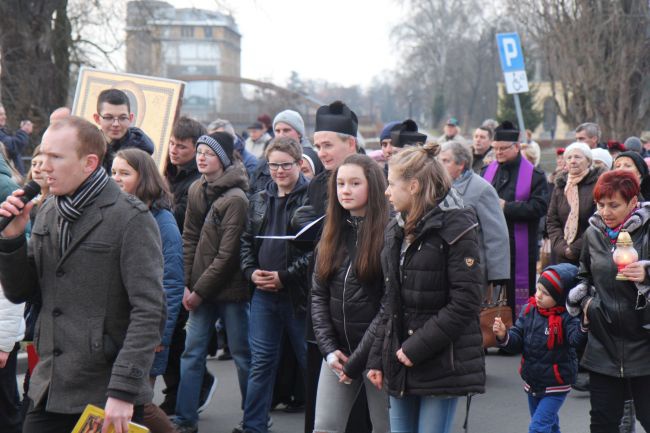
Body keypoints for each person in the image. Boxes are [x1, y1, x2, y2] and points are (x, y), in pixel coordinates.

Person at [0, 116, 165, 433]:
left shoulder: (129, 218)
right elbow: (25, 292)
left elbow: (150, 311)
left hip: (104, 392)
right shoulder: (48, 210)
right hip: (49, 387)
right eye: (42, 154)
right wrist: (12, 239)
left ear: (89, 163)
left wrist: (123, 391)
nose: (43, 166)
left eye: (56, 157)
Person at [367, 143, 485, 433]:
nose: (386, 192)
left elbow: (466, 302)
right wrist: (377, 358)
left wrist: (416, 347)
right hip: (401, 359)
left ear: (415, 186)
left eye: (392, 183)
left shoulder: (457, 226)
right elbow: (390, 301)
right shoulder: (396, 228)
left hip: (442, 361)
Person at [292, 101, 369, 433]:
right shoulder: (317, 183)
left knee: (363, 411)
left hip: (360, 310)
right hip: (322, 299)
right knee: (322, 405)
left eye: (327, 145)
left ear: (350, 144)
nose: (320, 152)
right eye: (317, 145)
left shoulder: (371, 180)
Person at [173, 132, 251, 433]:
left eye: (209, 152)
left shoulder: (237, 199)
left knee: (243, 356)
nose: (201, 157)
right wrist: (186, 284)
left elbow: (228, 255)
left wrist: (197, 291)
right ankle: (185, 418)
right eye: (200, 152)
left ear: (223, 158)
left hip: (230, 292)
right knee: (191, 353)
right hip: (199, 291)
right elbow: (188, 238)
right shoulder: (195, 189)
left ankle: (254, 419)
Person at [566, 170, 650, 432]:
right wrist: (588, 304)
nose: (606, 212)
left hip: (644, 342)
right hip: (604, 342)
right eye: (601, 204)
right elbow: (584, 275)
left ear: (633, 203)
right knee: (602, 423)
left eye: (614, 205)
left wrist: (647, 272)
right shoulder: (593, 235)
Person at [312, 154, 390, 433]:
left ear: (373, 186)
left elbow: (388, 305)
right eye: (341, 183)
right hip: (339, 351)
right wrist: (329, 349)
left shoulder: (390, 233)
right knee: (324, 427)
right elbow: (318, 294)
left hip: (378, 353)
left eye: (355, 183)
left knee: (385, 428)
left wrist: (356, 361)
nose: (345, 190)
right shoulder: (331, 230)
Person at [238, 137, 311, 433]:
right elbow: (245, 241)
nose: (279, 171)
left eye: (285, 165)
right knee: (261, 363)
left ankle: (322, 425)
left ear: (299, 163)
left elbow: (315, 251)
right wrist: (250, 271)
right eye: (273, 165)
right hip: (263, 296)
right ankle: (254, 426)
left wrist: (285, 276)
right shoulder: (258, 197)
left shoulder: (312, 198)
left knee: (310, 363)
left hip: (298, 296)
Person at [111, 149, 184, 433]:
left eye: (125, 173)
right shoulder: (118, 212)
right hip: (120, 329)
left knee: (140, 406)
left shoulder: (162, 222)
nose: (116, 179)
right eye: (114, 172)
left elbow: (172, 283)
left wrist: (159, 335)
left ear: (144, 179)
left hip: (146, 331)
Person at [493, 264, 588, 433]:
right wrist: (503, 335)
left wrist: (584, 324)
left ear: (560, 296)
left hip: (556, 383)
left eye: (546, 293)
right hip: (533, 380)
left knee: (538, 427)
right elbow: (516, 340)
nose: (538, 295)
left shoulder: (567, 316)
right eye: (538, 289)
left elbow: (576, 341)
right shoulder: (529, 310)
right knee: (550, 426)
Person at [162, 116, 215, 417]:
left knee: (176, 337)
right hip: (166, 262)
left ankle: (184, 392)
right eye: (170, 144)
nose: (173, 151)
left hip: (184, 266)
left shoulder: (196, 181)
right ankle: (181, 391)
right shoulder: (167, 171)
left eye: (181, 146)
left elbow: (180, 218)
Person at [482, 121, 549, 317]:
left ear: (517, 147)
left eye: (503, 148)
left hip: (519, 246)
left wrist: (507, 207)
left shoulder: (534, 175)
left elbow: (539, 207)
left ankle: (516, 336)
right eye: (495, 148)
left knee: (516, 294)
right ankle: (490, 334)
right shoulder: (487, 172)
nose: (498, 153)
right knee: (490, 294)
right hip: (491, 244)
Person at [439, 141, 510, 293]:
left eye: (446, 161)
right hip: (445, 267)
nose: (440, 164)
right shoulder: (438, 187)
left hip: (474, 270)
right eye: (440, 160)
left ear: (461, 164)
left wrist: (497, 276)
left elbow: (497, 235)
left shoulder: (481, 189)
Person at [546, 142, 602, 265]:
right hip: (561, 254)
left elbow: (598, 221)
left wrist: (575, 249)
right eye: (569, 158)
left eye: (577, 157)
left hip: (589, 254)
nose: (573, 161)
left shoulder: (598, 185)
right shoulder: (560, 186)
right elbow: (552, 221)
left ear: (588, 161)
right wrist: (563, 248)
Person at [0, 150, 22, 433]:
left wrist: (4, 341)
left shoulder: (6, 191)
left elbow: (10, 281)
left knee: (6, 408)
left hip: (2, 324)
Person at [93, 88, 154, 173]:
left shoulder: (140, 152)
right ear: (97, 118)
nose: (116, 124)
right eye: (108, 117)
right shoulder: (88, 146)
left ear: (131, 118)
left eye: (122, 118)